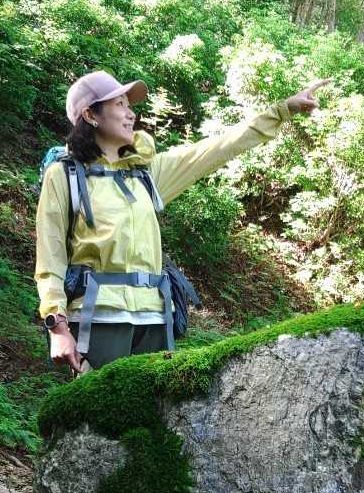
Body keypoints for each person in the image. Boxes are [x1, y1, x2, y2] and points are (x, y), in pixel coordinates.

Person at [35, 70, 330, 374]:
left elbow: (217, 148)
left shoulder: (146, 173)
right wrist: (57, 327)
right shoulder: (65, 175)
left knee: (154, 405)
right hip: (98, 317)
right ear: (90, 115)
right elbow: (50, 258)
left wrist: (282, 110)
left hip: (153, 317)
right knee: (100, 404)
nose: (131, 114)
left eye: (129, 105)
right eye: (120, 104)